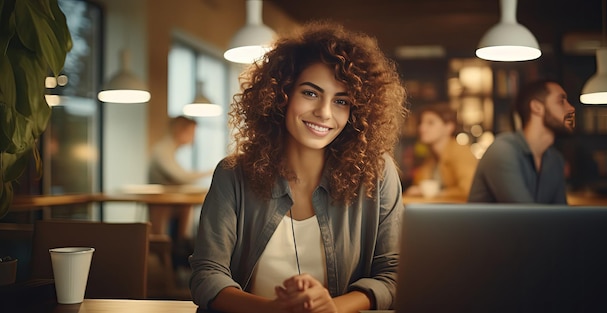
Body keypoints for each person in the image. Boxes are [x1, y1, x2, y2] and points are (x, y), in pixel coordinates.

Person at [189, 21, 407, 313]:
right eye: (311, 93)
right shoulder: (233, 175)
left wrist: (334, 308)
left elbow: (394, 274)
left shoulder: (377, 174)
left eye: (341, 101)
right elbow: (206, 276)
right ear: (281, 94)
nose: (324, 113)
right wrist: (272, 309)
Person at [468, 79, 575, 203]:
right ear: (537, 107)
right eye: (561, 101)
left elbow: (562, 218)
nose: (571, 108)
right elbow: (525, 217)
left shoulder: (555, 160)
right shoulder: (502, 151)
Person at [147, 116, 212, 261]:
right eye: (192, 132)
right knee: (166, 240)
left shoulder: (168, 150)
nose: (194, 137)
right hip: (161, 205)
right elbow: (181, 176)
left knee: (186, 208)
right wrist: (212, 171)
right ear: (181, 131)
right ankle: (174, 260)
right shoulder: (163, 150)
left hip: (168, 205)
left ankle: (178, 256)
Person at [403, 103, 477, 200]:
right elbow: (420, 185)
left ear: (449, 127)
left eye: (430, 123)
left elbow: (467, 189)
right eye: (421, 123)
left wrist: (437, 194)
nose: (422, 128)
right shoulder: (431, 157)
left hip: (460, 213)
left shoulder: (460, 152)